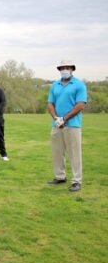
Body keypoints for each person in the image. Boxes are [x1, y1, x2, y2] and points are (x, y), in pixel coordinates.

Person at [47, 60, 87, 192]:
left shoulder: (79, 85)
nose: (64, 70)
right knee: (57, 152)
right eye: (62, 68)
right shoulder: (55, 85)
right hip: (56, 124)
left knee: (74, 153)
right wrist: (56, 118)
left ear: (72, 69)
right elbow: (50, 104)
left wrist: (64, 118)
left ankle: (76, 181)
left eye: (67, 67)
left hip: (73, 125)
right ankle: (60, 177)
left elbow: (80, 105)